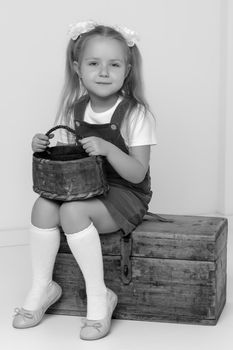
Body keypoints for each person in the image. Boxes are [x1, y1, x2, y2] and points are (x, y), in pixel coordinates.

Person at [13, 21, 157, 340]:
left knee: (72, 212)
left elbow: (137, 173)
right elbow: (68, 156)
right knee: (43, 207)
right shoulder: (75, 109)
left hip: (124, 194)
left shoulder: (135, 114)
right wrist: (44, 146)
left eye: (114, 64)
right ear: (78, 68)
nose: (103, 72)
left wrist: (107, 149)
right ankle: (43, 287)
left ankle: (99, 298)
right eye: (94, 63)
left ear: (127, 70)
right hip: (83, 188)